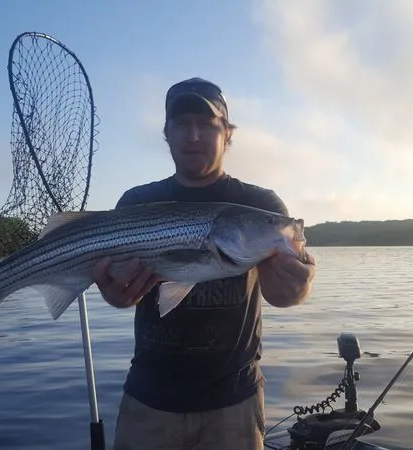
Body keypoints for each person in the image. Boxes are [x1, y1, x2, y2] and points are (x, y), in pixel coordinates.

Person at [91, 77, 316, 450]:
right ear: (167, 133)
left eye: (207, 124)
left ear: (227, 134)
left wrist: (300, 283)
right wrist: (117, 294)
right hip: (150, 401)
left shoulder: (261, 205)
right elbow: (122, 297)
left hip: (233, 404)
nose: (194, 135)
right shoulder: (137, 201)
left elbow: (283, 295)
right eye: (182, 124)